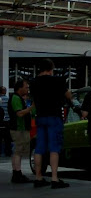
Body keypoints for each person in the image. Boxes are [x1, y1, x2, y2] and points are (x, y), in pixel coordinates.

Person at [30, 58, 70, 189]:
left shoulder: (33, 82)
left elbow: (34, 100)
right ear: (51, 69)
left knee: (39, 148)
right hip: (54, 116)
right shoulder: (58, 81)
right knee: (54, 148)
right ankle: (54, 178)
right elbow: (68, 95)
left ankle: (38, 177)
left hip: (40, 117)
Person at [7, 79, 34, 183]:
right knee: (18, 152)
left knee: (18, 152)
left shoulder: (17, 98)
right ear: (20, 88)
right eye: (26, 87)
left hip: (19, 128)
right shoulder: (15, 98)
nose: (27, 89)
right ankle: (17, 173)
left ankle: (17, 173)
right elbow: (19, 113)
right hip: (18, 128)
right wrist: (31, 108)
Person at [0, 85, 12, 157]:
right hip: (8, 121)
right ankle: (8, 152)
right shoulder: (8, 99)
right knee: (7, 138)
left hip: (1, 121)